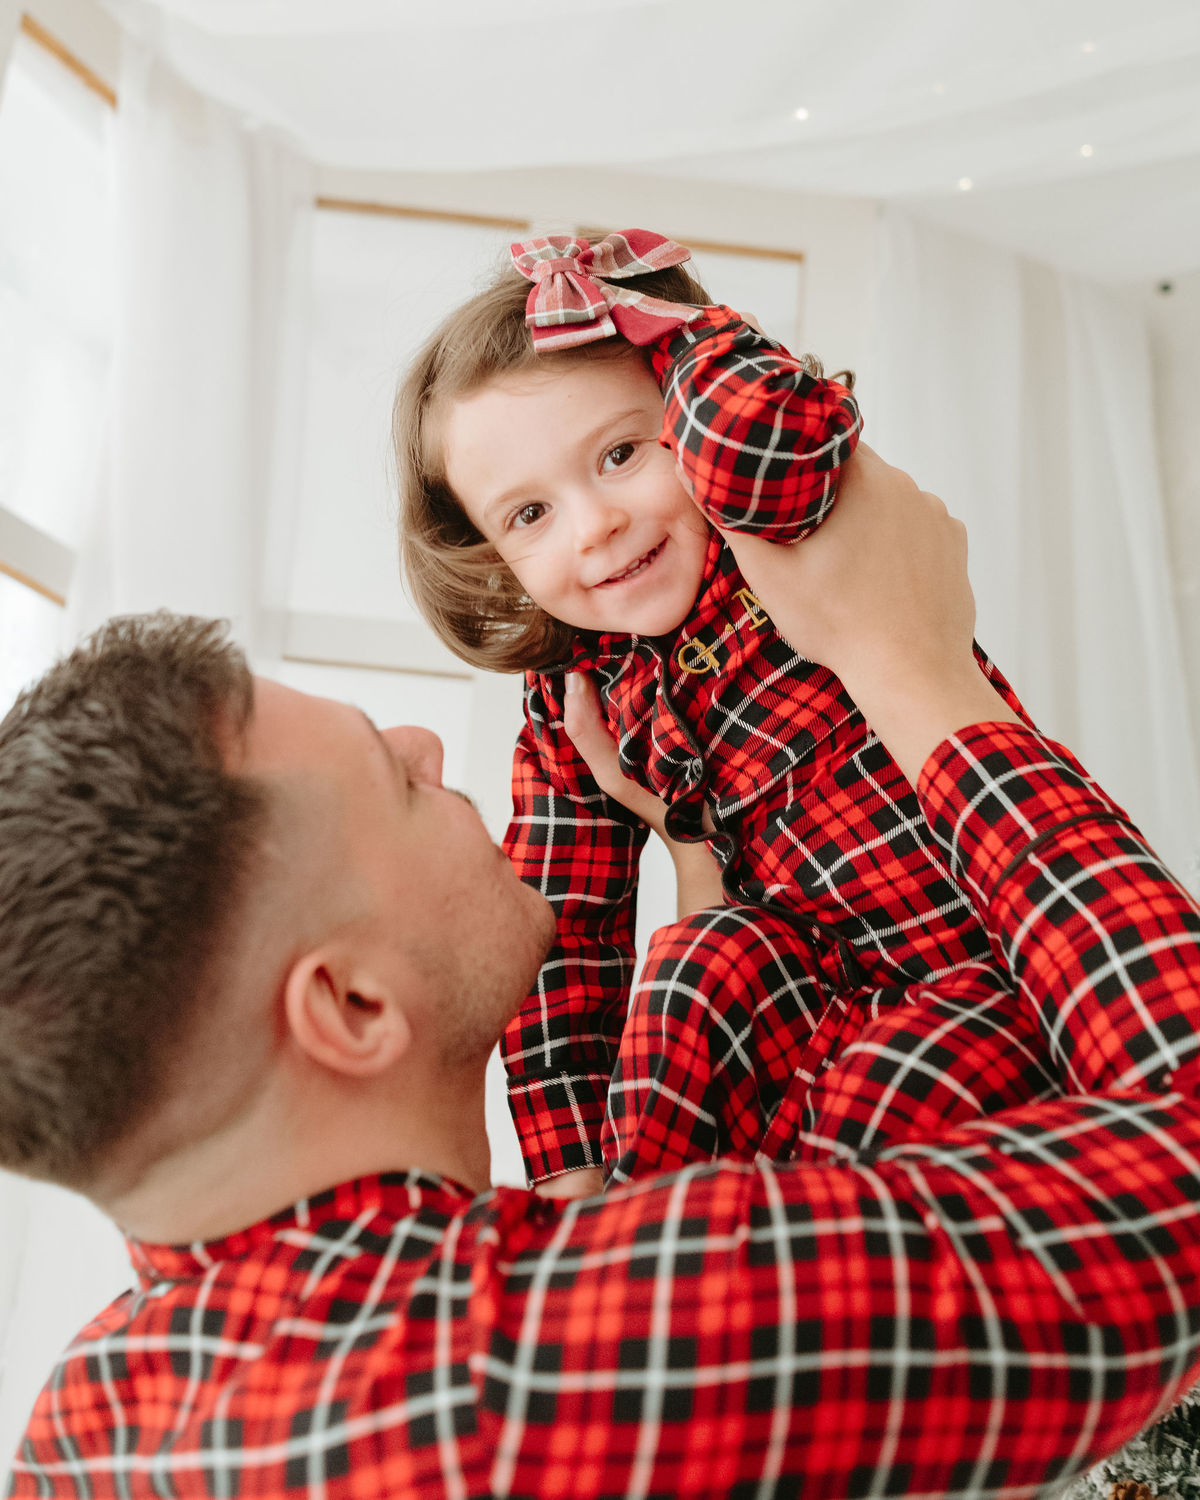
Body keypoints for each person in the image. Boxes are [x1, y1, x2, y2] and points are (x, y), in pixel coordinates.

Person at [5, 453, 1200, 1499]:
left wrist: (692, 844)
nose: (428, 743)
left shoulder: (87, 1419)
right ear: (351, 1008)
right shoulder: (564, 1354)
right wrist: (920, 672)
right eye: (391, 775)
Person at [394, 228, 1037, 1196]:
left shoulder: (790, 532)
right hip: (804, 1017)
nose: (596, 526)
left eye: (621, 454)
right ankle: (623, 1230)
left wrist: (682, 334)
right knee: (697, 968)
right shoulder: (573, 694)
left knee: (870, 1100)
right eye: (530, 514)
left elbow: (774, 432)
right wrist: (569, 1172)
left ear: (688, 422)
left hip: (988, 972)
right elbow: (566, 938)